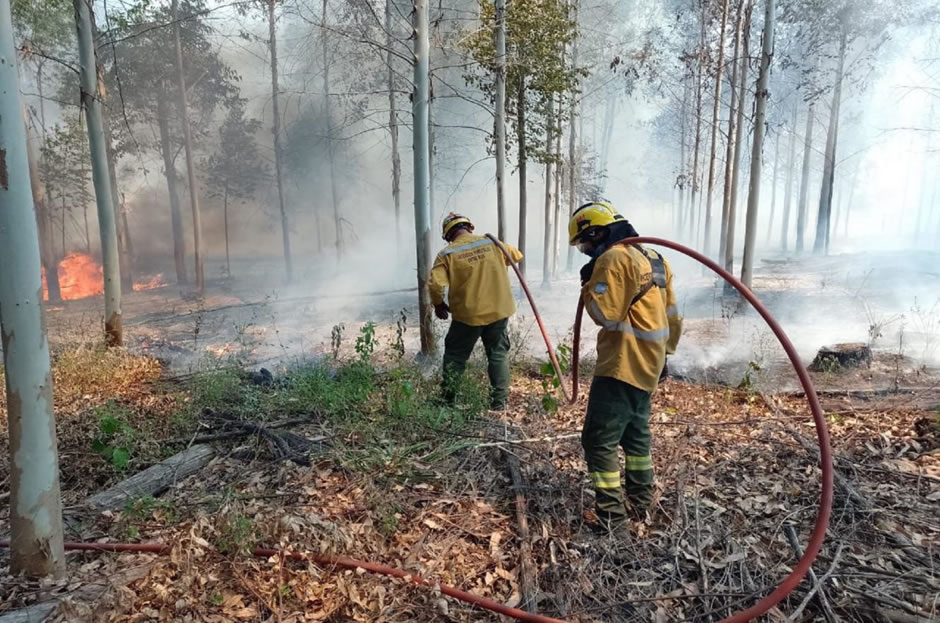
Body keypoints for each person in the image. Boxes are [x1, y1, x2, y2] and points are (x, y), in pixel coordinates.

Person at [568, 201, 682, 534]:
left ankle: (613, 520)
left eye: (585, 243)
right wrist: (665, 355)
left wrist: (589, 283)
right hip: (649, 364)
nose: (586, 251)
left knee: (598, 441)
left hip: (622, 364)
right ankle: (642, 501)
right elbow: (673, 315)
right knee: (635, 435)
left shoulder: (614, 258)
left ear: (597, 232)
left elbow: (606, 314)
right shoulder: (655, 259)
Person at [429, 213, 523, 410]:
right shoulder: (492, 243)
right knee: (497, 354)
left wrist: (438, 305)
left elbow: (436, 285)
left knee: (455, 355)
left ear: (448, 235)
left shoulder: (447, 254)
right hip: (499, 311)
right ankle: (499, 403)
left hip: (468, 316)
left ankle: (448, 399)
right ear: (470, 227)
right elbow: (516, 255)